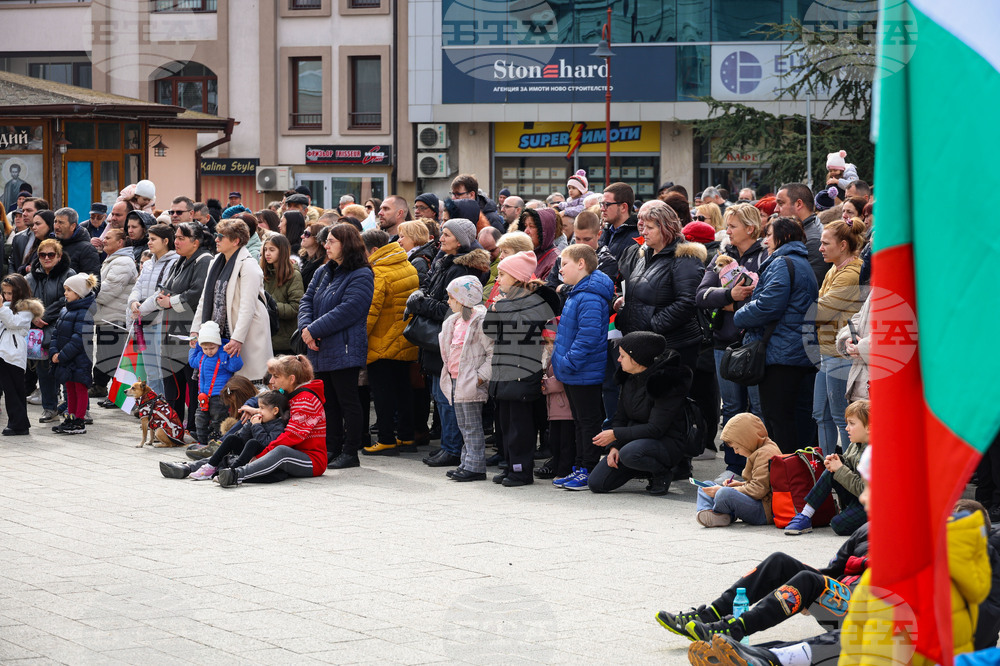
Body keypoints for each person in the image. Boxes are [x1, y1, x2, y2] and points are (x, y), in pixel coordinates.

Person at [405, 219, 491, 468]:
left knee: (448, 399)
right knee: (440, 394)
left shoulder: (461, 268)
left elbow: (451, 308)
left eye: (447, 235)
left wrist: (421, 303)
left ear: (460, 240)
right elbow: (433, 291)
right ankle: (449, 446)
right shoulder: (445, 261)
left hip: (455, 340)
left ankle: (452, 448)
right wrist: (421, 293)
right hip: (440, 340)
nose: (440, 239)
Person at [733, 217, 819, 453]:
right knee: (794, 419)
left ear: (783, 236)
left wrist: (739, 315)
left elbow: (767, 305)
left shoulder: (783, 262)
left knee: (778, 419)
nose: (765, 240)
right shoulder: (800, 261)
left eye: (769, 235)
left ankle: (784, 480)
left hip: (781, 353)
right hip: (794, 351)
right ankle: (796, 477)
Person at [695, 203, 766, 474]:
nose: (728, 231)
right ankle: (734, 467)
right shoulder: (722, 256)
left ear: (750, 228)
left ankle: (761, 467)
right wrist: (729, 297)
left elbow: (765, 300)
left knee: (758, 409)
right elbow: (701, 295)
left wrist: (732, 306)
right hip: (723, 343)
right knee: (733, 409)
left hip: (756, 342)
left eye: (733, 226)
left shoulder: (766, 256)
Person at [298, 224, 374, 469]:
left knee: (347, 401)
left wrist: (313, 330)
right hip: (319, 346)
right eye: (326, 241)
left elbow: (349, 310)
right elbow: (306, 300)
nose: (326, 245)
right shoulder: (323, 271)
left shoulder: (361, 273)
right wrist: (305, 329)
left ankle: (351, 451)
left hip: (344, 347)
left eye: (332, 241)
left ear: (347, 244)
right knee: (327, 401)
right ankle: (331, 447)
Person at [483, 251, 560, 487]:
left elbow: (524, 327)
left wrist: (502, 309)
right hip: (504, 371)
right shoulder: (505, 303)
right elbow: (489, 331)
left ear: (517, 278)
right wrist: (495, 311)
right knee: (505, 424)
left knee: (520, 426)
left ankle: (521, 470)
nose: (498, 280)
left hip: (522, 373)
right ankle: (510, 465)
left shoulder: (534, 302)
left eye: (503, 275)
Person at [587, 332, 693, 495]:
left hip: (666, 443)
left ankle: (661, 473)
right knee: (597, 483)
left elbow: (656, 429)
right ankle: (639, 467)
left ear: (636, 358)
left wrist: (615, 435)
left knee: (630, 453)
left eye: (622, 356)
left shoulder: (666, 382)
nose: (618, 359)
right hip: (633, 442)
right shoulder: (628, 377)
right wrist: (614, 446)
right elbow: (620, 417)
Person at [550, 244, 614, 490]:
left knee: (588, 421)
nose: (560, 269)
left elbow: (588, 336)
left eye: (564, 263)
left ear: (581, 264)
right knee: (579, 421)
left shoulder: (589, 296)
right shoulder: (578, 292)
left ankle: (588, 468)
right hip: (574, 371)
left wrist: (568, 362)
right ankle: (579, 466)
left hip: (583, 371)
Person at [616, 200, 706, 372]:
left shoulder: (684, 258)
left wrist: (652, 325)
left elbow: (687, 302)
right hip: (645, 343)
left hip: (672, 347)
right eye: (644, 226)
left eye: (650, 228)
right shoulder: (646, 254)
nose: (643, 231)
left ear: (666, 228)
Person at [215, 355, 328, 487]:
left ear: (291, 379)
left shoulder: (306, 400)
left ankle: (235, 474)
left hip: (312, 461)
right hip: (292, 454)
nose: (272, 380)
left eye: (276, 376)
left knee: (281, 451)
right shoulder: (291, 395)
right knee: (240, 440)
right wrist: (256, 412)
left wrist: (260, 456)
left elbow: (291, 437)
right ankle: (202, 466)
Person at [358, 229, 419, 456]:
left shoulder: (379, 272)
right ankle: (406, 436)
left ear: (374, 250)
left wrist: (358, 339)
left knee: (383, 394)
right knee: (403, 390)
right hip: (405, 339)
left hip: (381, 342)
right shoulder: (407, 265)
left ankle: (386, 440)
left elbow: (371, 312)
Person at [191, 218, 274, 382]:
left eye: (221, 236)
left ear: (236, 241)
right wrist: (196, 330)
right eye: (216, 235)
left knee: (248, 384)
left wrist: (237, 339)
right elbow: (205, 299)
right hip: (220, 330)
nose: (216, 239)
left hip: (246, 332)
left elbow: (247, 306)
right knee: (221, 385)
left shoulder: (249, 265)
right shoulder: (216, 261)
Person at [148, 222, 213, 428]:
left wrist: (171, 301)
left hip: (189, 333)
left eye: (181, 238)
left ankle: (193, 427)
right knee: (172, 383)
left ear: (196, 242)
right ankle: (172, 425)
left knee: (191, 384)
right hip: (171, 331)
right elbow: (167, 287)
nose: (176, 242)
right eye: (175, 237)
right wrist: (162, 297)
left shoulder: (204, 260)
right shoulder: (180, 261)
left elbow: (197, 293)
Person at [813, 217, 867, 454]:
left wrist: (794, 306)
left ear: (843, 245)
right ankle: (826, 474)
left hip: (840, 355)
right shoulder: (835, 269)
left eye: (825, 243)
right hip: (827, 352)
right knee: (820, 414)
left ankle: (846, 478)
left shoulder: (850, 273)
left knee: (841, 418)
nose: (820, 248)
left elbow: (820, 310)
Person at [161, 390, 290, 481]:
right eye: (259, 407)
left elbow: (266, 443)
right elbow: (242, 437)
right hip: (247, 451)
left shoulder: (277, 426)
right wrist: (250, 424)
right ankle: (210, 466)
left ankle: (232, 472)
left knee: (253, 443)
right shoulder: (259, 420)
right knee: (232, 438)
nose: (259, 411)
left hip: (261, 454)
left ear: (275, 411)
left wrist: (256, 426)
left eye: (262, 408)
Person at [785, 399, 870, 536]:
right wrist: (837, 461)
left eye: (852, 424)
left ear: (869, 427)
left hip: (872, 506)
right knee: (831, 468)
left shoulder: (877, 452)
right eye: (847, 423)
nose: (847, 428)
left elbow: (865, 491)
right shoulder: (855, 444)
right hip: (857, 498)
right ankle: (805, 515)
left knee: (838, 524)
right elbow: (847, 465)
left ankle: (875, 525)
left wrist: (840, 468)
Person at [437, 276, 493, 481]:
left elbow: (491, 353)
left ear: (464, 299)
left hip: (469, 381)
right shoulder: (455, 321)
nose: (448, 301)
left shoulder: (480, 321)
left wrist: (479, 379)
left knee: (471, 426)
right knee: (463, 425)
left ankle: (476, 466)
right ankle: (467, 462)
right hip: (456, 379)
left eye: (451, 297)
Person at [694, 413, 780, 527]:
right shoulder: (758, 449)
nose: (736, 452)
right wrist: (740, 484)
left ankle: (723, 514)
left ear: (747, 440)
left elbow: (759, 490)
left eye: (737, 447)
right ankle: (710, 513)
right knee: (705, 486)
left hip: (764, 510)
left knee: (723, 493)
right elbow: (763, 483)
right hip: (759, 501)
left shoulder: (765, 453)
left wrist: (730, 490)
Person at [26, 239, 76, 423]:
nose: (46, 258)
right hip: (37, 332)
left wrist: (44, 316)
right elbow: (22, 298)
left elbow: (68, 298)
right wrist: (33, 316)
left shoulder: (68, 274)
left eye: (51, 254)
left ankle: (74, 408)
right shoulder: (31, 277)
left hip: (62, 327)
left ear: (59, 256)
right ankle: (49, 408)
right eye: (42, 255)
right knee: (43, 370)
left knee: (66, 369)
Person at [127, 224, 179, 395]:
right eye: (149, 239)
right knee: (150, 370)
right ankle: (152, 405)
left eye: (153, 239)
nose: (149, 242)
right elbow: (138, 285)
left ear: (165, 241)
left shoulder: (175, 262)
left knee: (160, 368)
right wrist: (134, 302)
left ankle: (163, 407)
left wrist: (141, 309)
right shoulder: (148, 263)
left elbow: (163, 292)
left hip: (161, 322)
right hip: (144, 322)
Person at [49, 273, 98, 435]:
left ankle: (79, 421)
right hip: (65, 357)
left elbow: (79, 339)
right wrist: (54, 351)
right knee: (69, 387)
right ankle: (71, 417)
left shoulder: (85, 313)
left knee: (80, 387)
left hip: (79, 358)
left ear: (79, 293)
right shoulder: (65, 310)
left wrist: (62, 355)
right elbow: (56, 333)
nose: (65, 293)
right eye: (65, 289)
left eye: (69, 290)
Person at [93, 229, 138, 404]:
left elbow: (107, 290)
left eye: (108, 238)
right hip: (107, 317)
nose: (104, 240)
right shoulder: (113, 260)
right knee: (106, 357)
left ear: (120, 243)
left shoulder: (124, 262)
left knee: (116, 359)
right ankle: (108, 392)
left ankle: (119, 397)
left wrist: (89, 294)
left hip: (116, 318)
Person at [188, 321, 243, 447]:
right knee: (200, 418)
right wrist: (194, 348)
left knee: (218, 418)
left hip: (219, 396)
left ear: (218, 344)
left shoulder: (223, 355)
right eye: (205, 348)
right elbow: (192, 362)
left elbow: (236, 366)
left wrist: (232, 353)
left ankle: (217, 441)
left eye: (212, 348)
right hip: (203, 396)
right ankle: (201, 442)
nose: (209, 351)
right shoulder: (202, 356)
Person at [0, 274, 42, 435]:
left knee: (15, 390)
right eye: (5, 293)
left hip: (14, 353)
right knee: (9, 390)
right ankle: (18, 423)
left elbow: (13, 323)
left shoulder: (27, 307)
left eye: (10, 293)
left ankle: (19, 424)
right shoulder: (6, 307)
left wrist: (2, 308)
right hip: (3, 352)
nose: (7, 296)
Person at [261, 234, 303, 355]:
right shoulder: (263, 273)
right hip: (265, 338)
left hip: (284, 340)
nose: (267, 253)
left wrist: (270, 306)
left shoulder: (293, 275)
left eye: (272, 250)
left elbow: (296, 307)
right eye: (265, 250)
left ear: (283, 251)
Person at [775, 183, 825, 285]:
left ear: (798, 204)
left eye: (781, 204)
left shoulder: (813, 240)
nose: (775, 210)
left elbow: (808, 287)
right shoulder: (801, 233)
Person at [599, 182, 641, 262]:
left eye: (607, 204)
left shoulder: (637, 237)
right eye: (602, 204)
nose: (602, 209)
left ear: (623, 207)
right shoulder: (605, 231)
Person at [519, 207, 559, 280]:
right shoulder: (525, 254)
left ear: (544, 230)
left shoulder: (554, 261)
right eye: (525, 226)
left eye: (531, 226)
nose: (526, 231)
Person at [397, 220, 436, 288]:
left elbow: (417, 287)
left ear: (415, 237)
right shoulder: (413, 257)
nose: (398, 240)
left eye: (402, 237)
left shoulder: (418, 261)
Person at [298, 222, 326, 289]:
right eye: (303, 233)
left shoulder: (322, 263)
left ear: (317, 238)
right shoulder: (302, 259)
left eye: (306, 234)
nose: (302, 236)